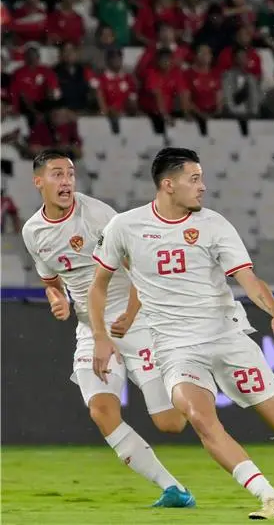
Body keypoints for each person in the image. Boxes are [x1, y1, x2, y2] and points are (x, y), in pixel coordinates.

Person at [88, 147, 274, 520]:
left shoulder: (214, 225)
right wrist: (101, 332)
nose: (203, 187)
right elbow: (99, 285)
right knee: (200, 418)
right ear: (168, 185)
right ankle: (270, 498)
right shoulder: (124, 227)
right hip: (175, 348)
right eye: (194, 179)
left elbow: (248, 279)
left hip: (226, 337)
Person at [20, 149, 194, 508]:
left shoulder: (99, 216)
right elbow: (51, 280)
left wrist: (129, 317)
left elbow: (140, 271)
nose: (66, 181)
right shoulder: (33, 231)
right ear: (38, 182)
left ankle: (200, 364)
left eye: (69, 173)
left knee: (171, 423)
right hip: (91, 329)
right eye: (56, 174)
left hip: (135, 319)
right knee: (101, 410)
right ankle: (173, 489)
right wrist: (57, 299)